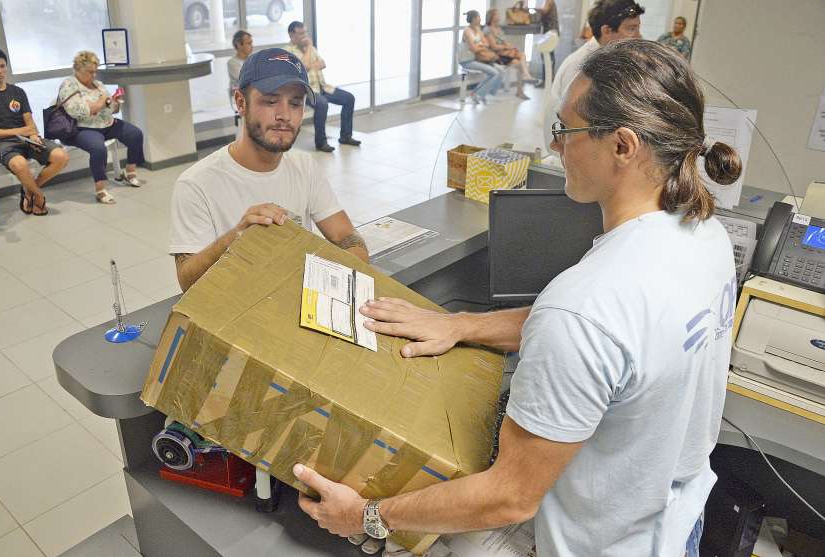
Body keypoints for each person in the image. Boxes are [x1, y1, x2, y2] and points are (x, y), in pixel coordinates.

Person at [291, 39, 742, 557]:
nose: (556, 147)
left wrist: (366, 516)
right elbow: (620, 337)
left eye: (565, 130)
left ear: (622, 146)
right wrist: (462, 325)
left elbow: (508, 499)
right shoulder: (704, 235)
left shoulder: (584, 306)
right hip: (675, 520)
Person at [170, 48, 368, 293]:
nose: (284, 115)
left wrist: (347, 273)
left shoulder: (304, 167)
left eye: (295, 104)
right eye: (271, 101)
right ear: (241, 102)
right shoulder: (196, 184)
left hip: (295, 303)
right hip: (236, 311)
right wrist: (238, 236)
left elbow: (347, 237)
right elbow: (187, 282)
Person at [544, 0, 643, 150]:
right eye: (631, 29)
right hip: (570, 151)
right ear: (607, 30)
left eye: (637, 28)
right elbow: (572, 126)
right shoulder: (580, 66)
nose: (639, 36)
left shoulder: (610, 57)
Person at [58, 51, 146, 204]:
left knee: (136, 134)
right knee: (99, 149)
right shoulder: (69, 85)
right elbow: (77, 111)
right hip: (83, 128)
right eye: (90, 72)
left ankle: (129, 172)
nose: (93, 75)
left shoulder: (98, 85)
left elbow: (111, 109)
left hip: (106, 124)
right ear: (78, 70)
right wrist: (101, 104)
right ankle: (100, 189)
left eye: (95, 71)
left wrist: (115, 103)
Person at [0, 47, 69, 216]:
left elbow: (29, 122)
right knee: (20, 164)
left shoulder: (17, 92)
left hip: (26, 139)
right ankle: (38, 196)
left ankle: (29, 191)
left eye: (2, 66)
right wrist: (18, 130)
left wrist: (33, 135)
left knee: (61, 157)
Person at [283, 21, 361, 153]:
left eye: (305, 32)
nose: (304, 36)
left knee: (349, 98)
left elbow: (323, 63)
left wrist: (309, 62)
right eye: (301, 33)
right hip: (305, 91)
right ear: (291, 35)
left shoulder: (309, 48)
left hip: (323, 87)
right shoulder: (288, 51)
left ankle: (346, 136)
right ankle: (321, 142)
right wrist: (309, 52)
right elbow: (303, 68)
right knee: (322, 104)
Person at [484, 8, 536, 100]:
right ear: (491, 16)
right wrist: (507, 47)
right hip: (497, 56)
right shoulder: (488, 30)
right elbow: (494, 47)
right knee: (521, 56)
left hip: (505, 54)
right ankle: (526, 75)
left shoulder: (498, 28)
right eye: (497, 14)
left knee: (520, 62)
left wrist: (510, 46)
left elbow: (504, 42)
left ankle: (520, 91)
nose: (499, 16)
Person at [460, 10, 504, 105]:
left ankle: (484, 93)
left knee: (501, 70)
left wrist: (479, 46)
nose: (480, 19)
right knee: (495, 73)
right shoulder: (467, 31)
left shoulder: (478, 29)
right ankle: (475, 94)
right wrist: (481, 46)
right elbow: (474, 49)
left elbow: (487, 44)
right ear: (474, 19)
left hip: (477, 59)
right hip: (467, 61)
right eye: (478, 17)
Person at [534, 0, 559, 87]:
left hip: (550, 31)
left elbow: (544, 11)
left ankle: (547, 80)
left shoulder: (549, 1)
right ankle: (549, 79)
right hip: (551, 31)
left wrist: (533, 9)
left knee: (546, 56)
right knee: (548, 56)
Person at [227, 30, 253, 97]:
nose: (252, 46)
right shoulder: (232, 63)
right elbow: (245, 79)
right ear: (239, 45)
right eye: (249, 43)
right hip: (241, 96)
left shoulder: (252, 59)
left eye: (251, 43)